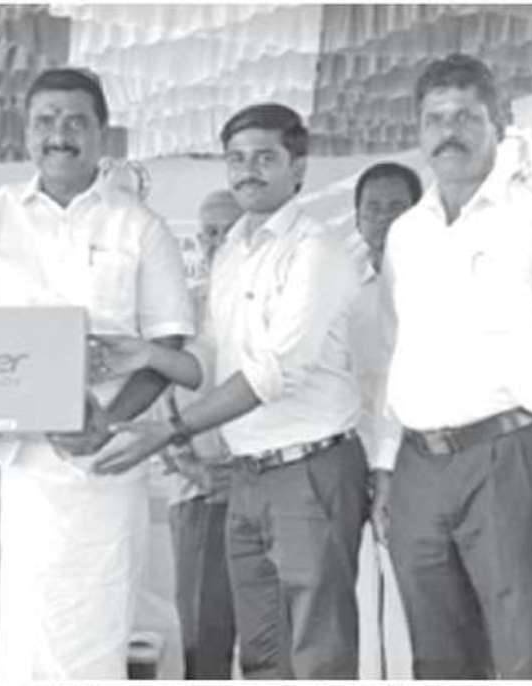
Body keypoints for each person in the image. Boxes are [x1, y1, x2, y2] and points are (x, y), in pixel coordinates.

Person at [0, 67, 196, 679]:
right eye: (45, 121)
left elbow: (166, 344)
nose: (59, 134)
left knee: (83, 636)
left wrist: (108, 422)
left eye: (75, 121)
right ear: (26, 132)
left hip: (92, 462)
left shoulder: (139, 227)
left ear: (103, 134)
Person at [101, 103, 370, 679]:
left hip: (310, 470)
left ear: (298, 167)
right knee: (262, 652)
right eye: (237, 159)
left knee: (318, 650)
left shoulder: (315, 250)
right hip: (246, 475)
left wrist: (170, 430)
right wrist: (150, 356)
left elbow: (273, 372)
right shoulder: (232, 252)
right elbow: (212, 356)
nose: (248, 171)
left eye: (264, 158)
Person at [371, 53, 532, 679]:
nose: (448, 132)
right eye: (435, 119)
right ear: (418, 131)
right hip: (420, 467)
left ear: (498, 124)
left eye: (466, 117)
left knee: (529, 653)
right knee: (437, 657)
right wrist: (386, 464)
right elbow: (394, 353)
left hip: (512, 461)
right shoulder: (406, 233)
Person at [161, 188, 244, 679]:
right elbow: (157, 404)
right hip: (200, 494)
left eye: (230, 231)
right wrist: (193, 469)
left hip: (268, 488)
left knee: (274, 638)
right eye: (211, 233)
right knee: (204, 640)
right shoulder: (181, 316)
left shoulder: (276, 305)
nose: (220, 242)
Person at [348, 161, 420, 681]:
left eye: (398, 207)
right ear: (357, 218)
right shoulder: (342, 283)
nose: (385, 218)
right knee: (353, 594)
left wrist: (389, 465)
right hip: (346, 456)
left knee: (413, 594)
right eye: (373, 208)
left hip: (416, 459)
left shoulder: (436, 284)